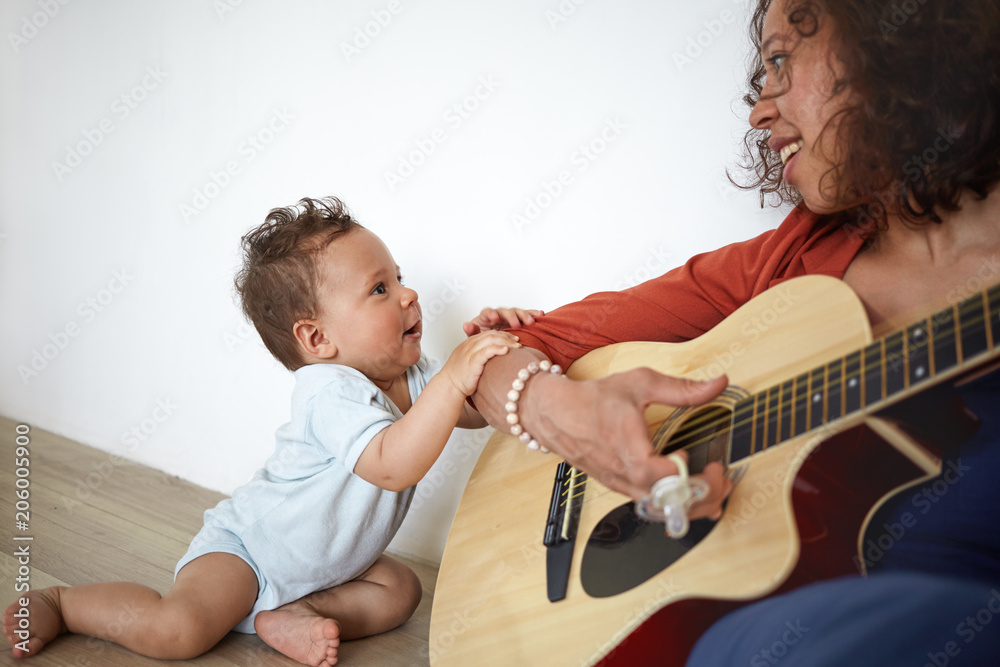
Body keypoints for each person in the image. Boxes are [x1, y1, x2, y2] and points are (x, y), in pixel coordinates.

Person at [467, 0, 1000, 663]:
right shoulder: (787, 265)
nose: (757, 111)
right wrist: (559, 411)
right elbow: (479, 365)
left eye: (781, 59)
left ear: (898, 42)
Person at [2, 196, 538, 666]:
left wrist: (493, 354)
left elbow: (468, 411)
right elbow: (391, 465)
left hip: (324, 570)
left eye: (398, 276)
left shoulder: (413, 376)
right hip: (249, 553)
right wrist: (452, 380)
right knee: (179, 631)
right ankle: (63, 604)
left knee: (400, 592)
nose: (407, 294)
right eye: (380, 288)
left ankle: (294, 613)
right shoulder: (328, 390)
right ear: (317, 337)